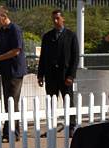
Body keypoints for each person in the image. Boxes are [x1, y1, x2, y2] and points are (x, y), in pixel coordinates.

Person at [0, 6, 26, 142]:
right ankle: (9, 132)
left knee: (12, 102)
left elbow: (16, 50)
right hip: (6, 70)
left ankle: (12, 132)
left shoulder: (15, 29)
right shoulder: (2, 31)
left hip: (15, 70)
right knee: (8, 102)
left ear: (3, 16)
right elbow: (2, 50)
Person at [38, 9, 79, 137]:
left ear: (63, 19)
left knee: (68, 101)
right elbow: (43, 57)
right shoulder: (47, 36)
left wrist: (71, 75)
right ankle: (51, 126)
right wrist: (40, 74)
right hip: (51, 76)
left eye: (57, 18)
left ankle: (71, 126)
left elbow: (75, 57)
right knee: (51, 101)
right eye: (54, 19)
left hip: (65, 75)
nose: (55, 21)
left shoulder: (71, 36)